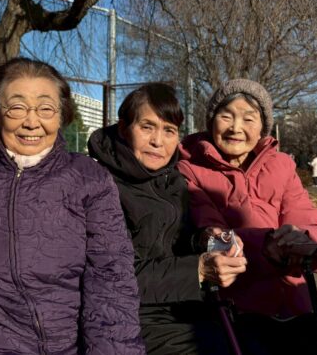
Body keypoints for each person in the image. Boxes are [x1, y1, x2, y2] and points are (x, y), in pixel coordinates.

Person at [0, 57, 145, 354]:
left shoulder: (88, 177)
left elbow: (111, 279)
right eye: (17, 107)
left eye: (46, 109)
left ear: (61, 115)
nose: (32, 122)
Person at [177, 79, 317, 354]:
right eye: (226, 116)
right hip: (233, 312)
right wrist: (264, 245)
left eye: (248, 118)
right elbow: (209, 231)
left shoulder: (282, 165)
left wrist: (307, 241)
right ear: (211, 121)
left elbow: (309, 221)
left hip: (294, 306)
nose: (236, 127)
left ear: (263, 127)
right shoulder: (189, 169)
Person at [88, 83, 247, 354]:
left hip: (185, 308)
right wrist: (197, 270)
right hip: (130, 319)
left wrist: (205, 239)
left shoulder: (172, 180)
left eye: (169, 130)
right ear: (124, 128)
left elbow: (174, 243)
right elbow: (113, 277)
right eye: (147, 127)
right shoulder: (100, 186)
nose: (158, 141)